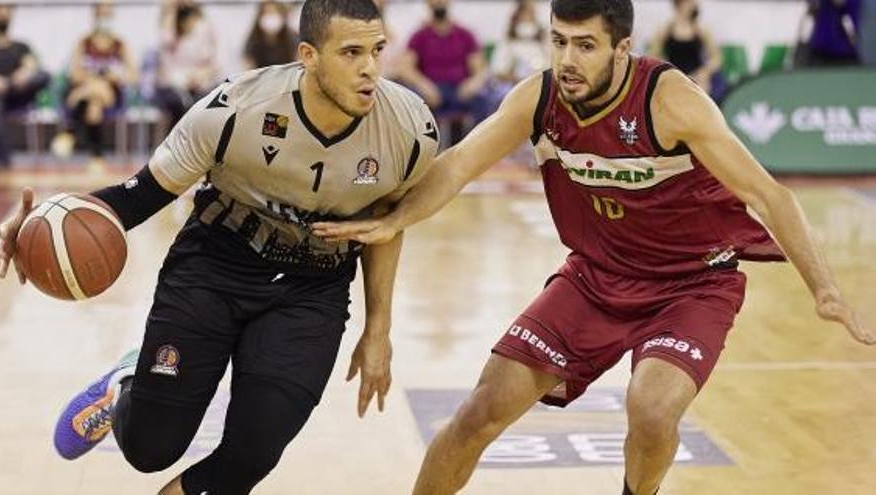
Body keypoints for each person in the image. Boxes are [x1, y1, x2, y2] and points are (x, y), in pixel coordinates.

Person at [313, 0, 875, 494]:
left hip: (693, 284)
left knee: (652, 410)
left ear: (622, 48)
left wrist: (824, 289)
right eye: (558, 41)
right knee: (478, 413)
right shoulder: (539, 97)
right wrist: (398, 219)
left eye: (585, 45)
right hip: (595, 278)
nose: (567, 60)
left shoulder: (670, 100)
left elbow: (769, 195)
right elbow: (459, 162)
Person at [0, 0, 438, 493]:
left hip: (312, 290)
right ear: (308, 55)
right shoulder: (233, 110)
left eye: (378, 50)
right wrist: (41, 222)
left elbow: (386, 223)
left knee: (253, 452)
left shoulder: (409, 128)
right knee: (149, 450)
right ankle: (124, 382)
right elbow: (140, 196)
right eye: (352, 52)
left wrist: (379, 329)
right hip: (213, 267)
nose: (371, 69)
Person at [52, 1, 137, 167]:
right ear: (94, 15)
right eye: (100, 13)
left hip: (108, 93)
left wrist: (114, 77)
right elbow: (75, 74)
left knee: (96, 92)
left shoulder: (120, 44)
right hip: (88, 90)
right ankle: (97, 156)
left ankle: (69, 133)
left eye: (107, 13)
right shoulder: (83, 42)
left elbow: (133, 76)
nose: (104, 17)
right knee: (94, 106)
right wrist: (93, 81)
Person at [403, 0, 489, 144]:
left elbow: (480, 70)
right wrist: (424, 85)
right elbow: (406, 68)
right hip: (431, 90)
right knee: (411, 100)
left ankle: (475, 147)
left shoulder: (465, 34)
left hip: (460, 90)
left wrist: (472, 84)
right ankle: (423, 149)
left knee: (483, 99)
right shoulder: (419, 36)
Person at [0, 3, 50, 169]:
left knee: (44, 75)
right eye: (0, 9)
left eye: (7, 10)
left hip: (19, 92)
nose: (4, 13)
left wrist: (23, 73)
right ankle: (5, 162)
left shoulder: (21, 46)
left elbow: (31, 64)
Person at [154, 0, 219, 129]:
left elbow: (215, 63)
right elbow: (165, 40)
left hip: (201, 83)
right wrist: (171, 9)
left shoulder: (206, 27)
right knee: (179, 104)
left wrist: (201, 76)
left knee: (206, 103)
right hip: (173, 86)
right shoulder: (171, 28)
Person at [649, 0, 726, 101]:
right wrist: (666, 69)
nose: (694, 5)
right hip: (673, 76)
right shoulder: (665, 30)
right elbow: (652, 55)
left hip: (696, 77)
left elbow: (717, 57)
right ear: (680, 4)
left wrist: (705, 71)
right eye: (690, 3)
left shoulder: (701, 30)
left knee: (700, 88)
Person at [243, 0, 299, 69]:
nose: (271, 17)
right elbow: (248, 65)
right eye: (267, 13)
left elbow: (298, 64)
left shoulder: (292, 38)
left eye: (274, 12)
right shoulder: (253, 40)